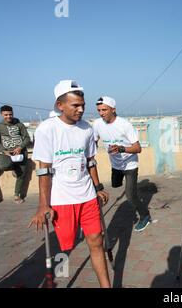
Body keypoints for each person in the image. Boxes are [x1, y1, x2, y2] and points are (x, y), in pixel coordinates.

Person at [29, 80, 111, 287]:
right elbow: (44, 170)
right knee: (65, 246)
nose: (81, 109)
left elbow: (90, 161)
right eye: (75, 105)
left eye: (82, 104)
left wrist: (98, 187)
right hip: (62, 199)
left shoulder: (87, 129)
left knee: (96, 241)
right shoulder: (47, 129)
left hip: (87, 195)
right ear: (60, 105)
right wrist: (43, 205)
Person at [93, 96, 151, 232]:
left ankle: (145, 216)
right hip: (116, 165)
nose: (101, 113)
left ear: (113, 109)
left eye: (104, 110)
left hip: (130, 165)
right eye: (99, 110)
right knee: (116, 186)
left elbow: (138, 148)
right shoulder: (97, 124)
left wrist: (121, 148)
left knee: (130, 196)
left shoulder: (124, 125)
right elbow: (93, 142)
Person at [0, 105, 31, 204]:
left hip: (20, 152)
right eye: (6, 115)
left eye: (10, 114)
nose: (8, 116)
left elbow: (27, 138)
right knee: (3, 166)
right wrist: (4, 151)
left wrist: (20, 147)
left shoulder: (19, 124)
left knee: (21, 174)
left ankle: (17, 195)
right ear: (1, 114)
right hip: (7, 152)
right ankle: (14, 169)